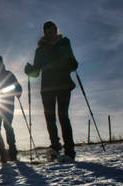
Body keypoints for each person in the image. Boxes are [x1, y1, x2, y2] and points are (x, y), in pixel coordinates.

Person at [25, 21, 78, 161]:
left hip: (63, 84)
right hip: (47, 87)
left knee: (63, 117)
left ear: (56, 30)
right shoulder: (40, 50)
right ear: (44, 33)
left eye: (51, 30)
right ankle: (55, 146)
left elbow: (73, 63)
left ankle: (69, 150)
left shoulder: (64, 43)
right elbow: (36, 72)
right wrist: (30, 70)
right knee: (50, 119)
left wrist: (72, 64)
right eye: (46, 31)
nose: (49, 33)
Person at [0, 55, 22, 163]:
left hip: (7, 105)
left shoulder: (9, 74)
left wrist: (17, 92)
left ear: (1, 62)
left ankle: (12, 152)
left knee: (7, 126)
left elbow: (18, 87)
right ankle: (3, 152)